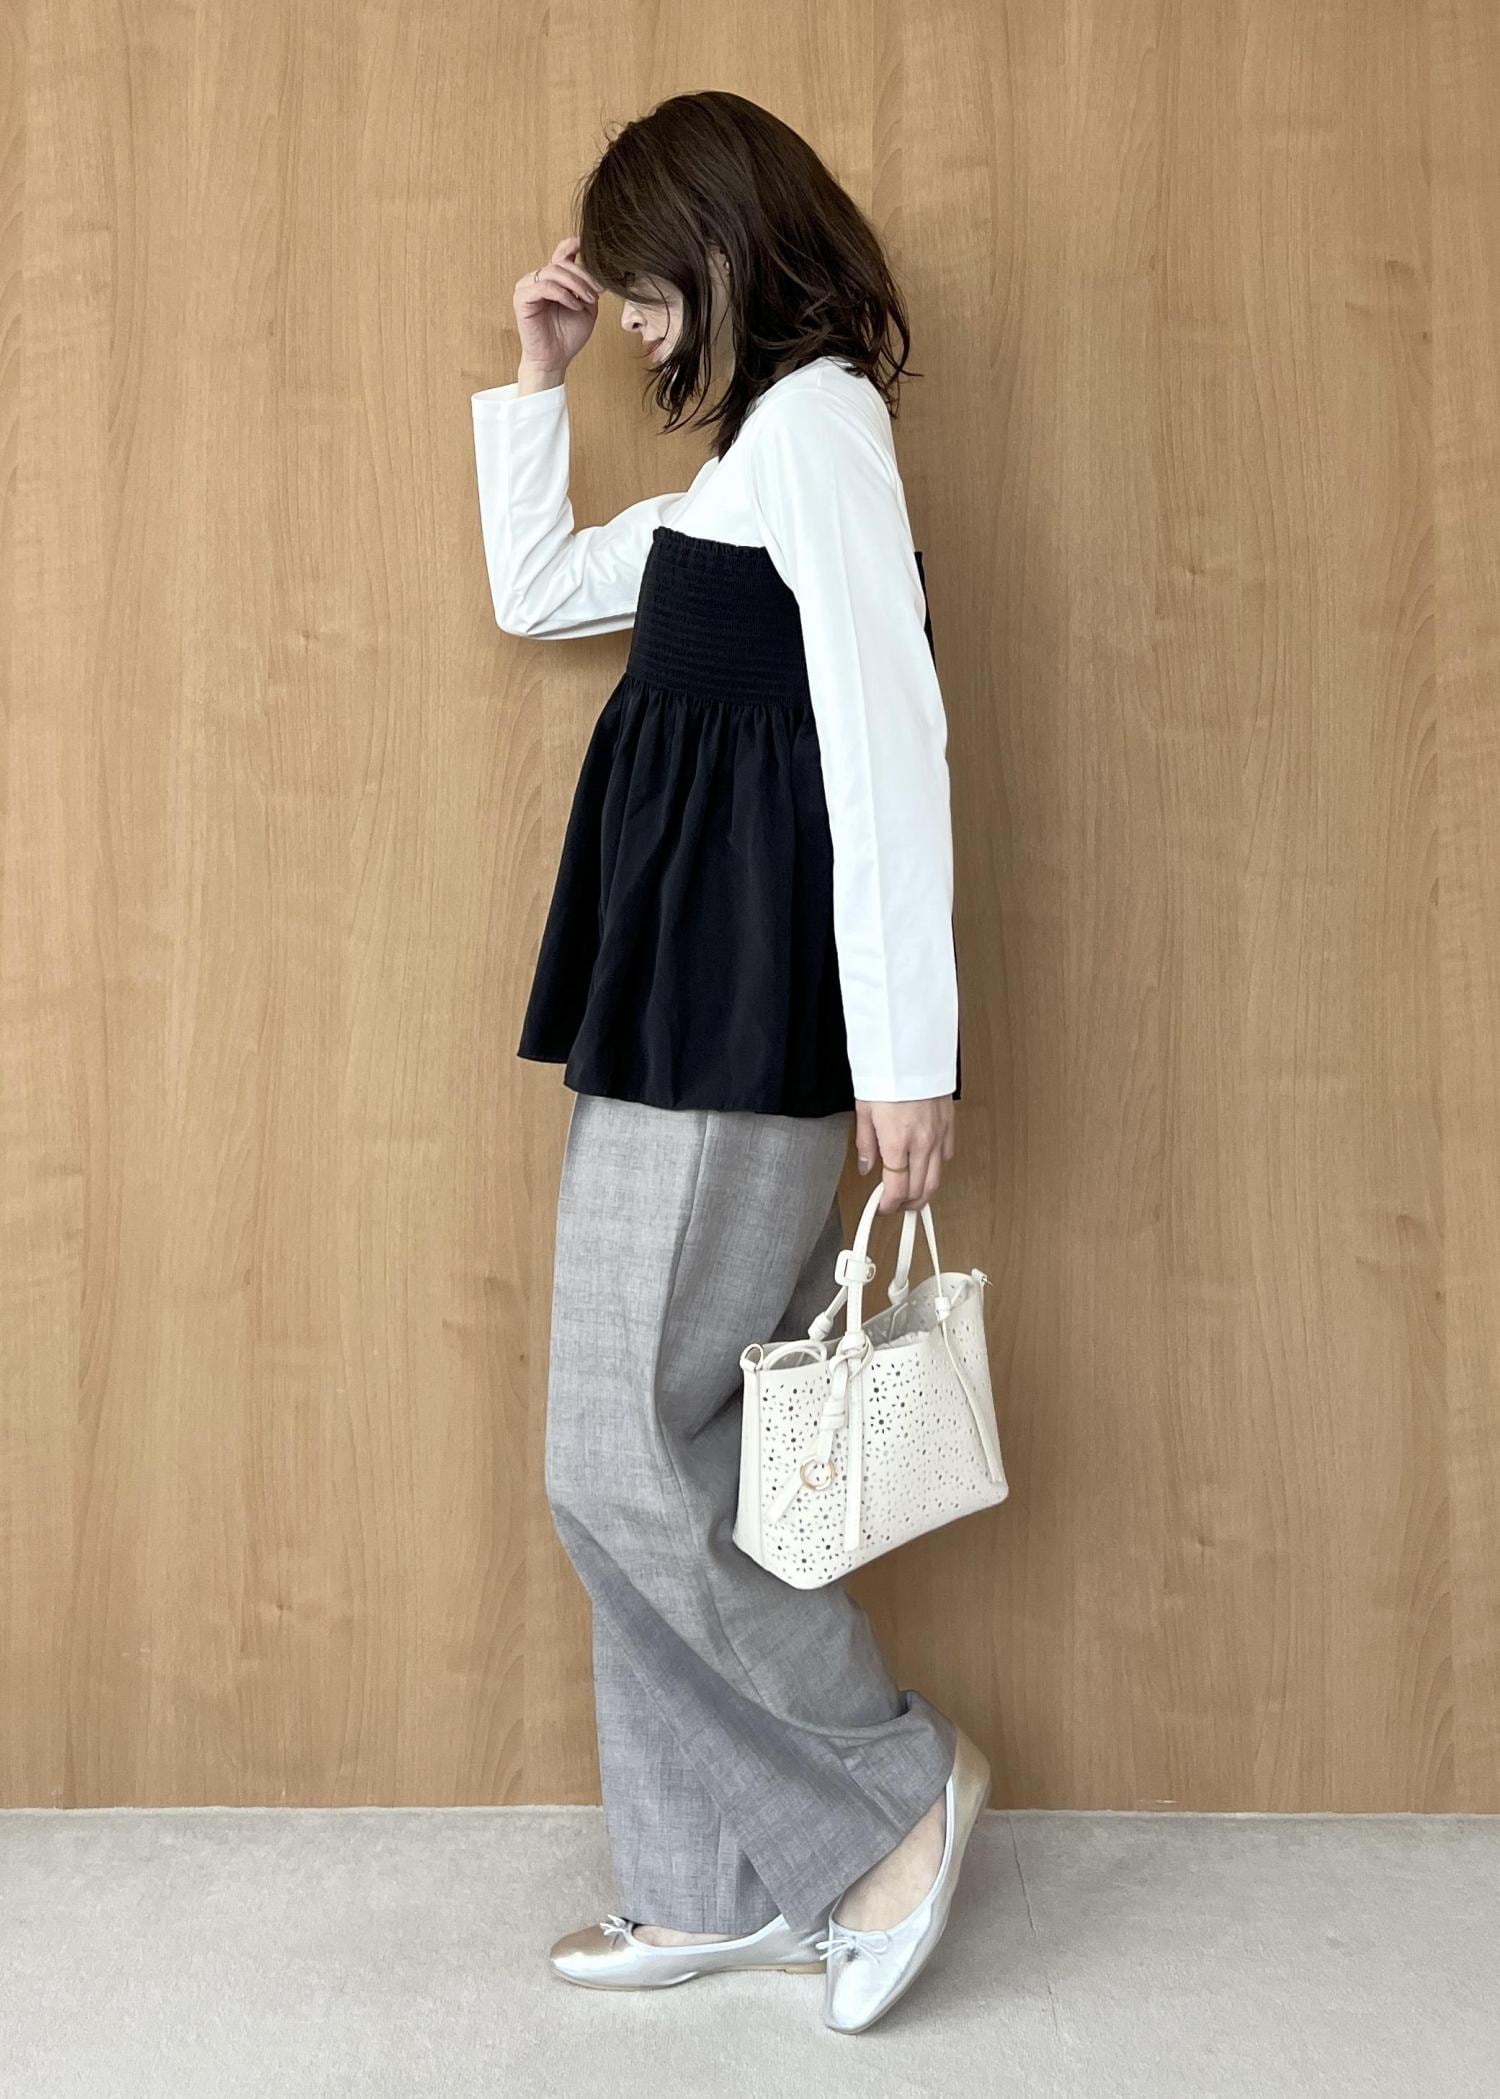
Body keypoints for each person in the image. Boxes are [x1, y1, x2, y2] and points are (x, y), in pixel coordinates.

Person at [470, 90, 989, 2035]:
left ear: (721, 244)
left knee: (616, 1454)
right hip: (674, 1008)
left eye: (640, 287)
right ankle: (716, 1881)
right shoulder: (755, 458)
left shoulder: (825, 429)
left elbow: (889, 735)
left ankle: (887, 1795)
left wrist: (909, 1057)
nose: (629, 323)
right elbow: (541, 591)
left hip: (733, 1022)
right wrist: (536, 385)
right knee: (682, 1450)